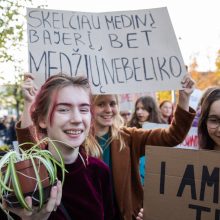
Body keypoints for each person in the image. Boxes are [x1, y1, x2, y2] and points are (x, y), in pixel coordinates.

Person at [6, 74, 115, 220]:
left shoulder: (100, 171)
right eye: (63, 109)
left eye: (84, 109)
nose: (77, 119)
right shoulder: (26, 175)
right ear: (42, 120)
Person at [92, 74, 196, 220]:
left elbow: (173, 135)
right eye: (101, 104)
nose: (108, 109)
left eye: (112, 103)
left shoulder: (129, 137)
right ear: (90, 107)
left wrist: (184, 98)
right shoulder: (78, 141)